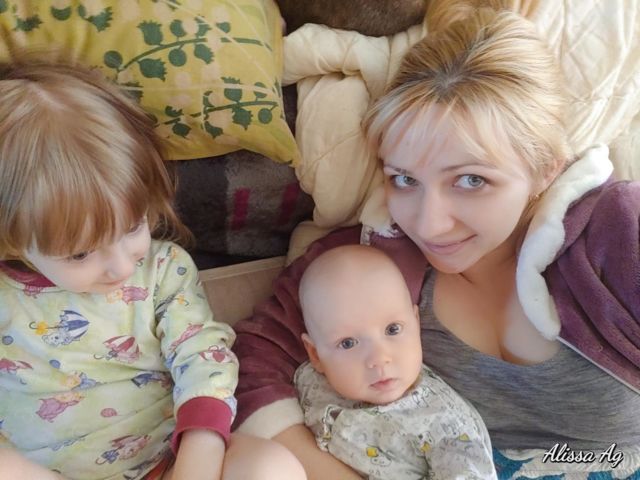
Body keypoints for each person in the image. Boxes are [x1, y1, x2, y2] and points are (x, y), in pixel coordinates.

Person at [231, 2, 640, 479]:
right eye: (404, 179)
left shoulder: (619, 230)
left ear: (544, 169)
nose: (428, 225)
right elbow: (254, 362)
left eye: (471, 180)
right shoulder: (365, 261)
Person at [0, 59, 307, 480]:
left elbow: (203, 359)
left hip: (171, 459)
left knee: (272, 467)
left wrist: (197, 461)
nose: (121, 265)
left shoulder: (162, 270)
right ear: (12, 239)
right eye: (81, 254)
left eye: (132, 226)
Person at [296, 244, 497, 479]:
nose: (380, 359)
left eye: (393, 329)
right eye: (348, 343)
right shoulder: (309, 382)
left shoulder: (443, 421)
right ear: (316, 355)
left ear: (415, 323)